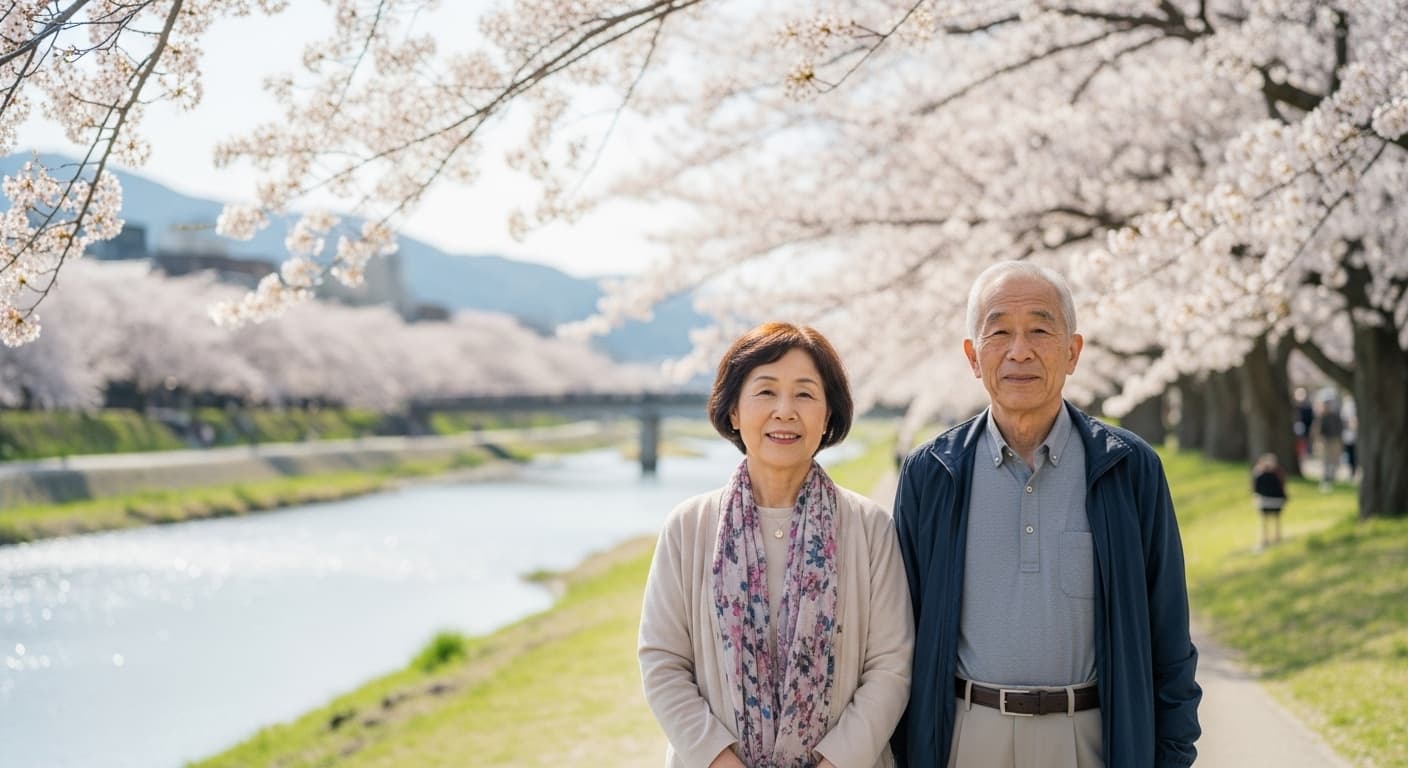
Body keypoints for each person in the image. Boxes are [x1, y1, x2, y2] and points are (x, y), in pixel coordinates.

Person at [890, 262, 1201, 768]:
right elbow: (898, 638)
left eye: (1040, 329)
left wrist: (1171, 754)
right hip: (965, 736)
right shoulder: (933, 473)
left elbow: (1169, 637)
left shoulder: (1128, 468)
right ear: (973, 356)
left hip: (1093, 738)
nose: (1020, 351)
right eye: (999, 332)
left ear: (1073, 351)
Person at [639, 321, 914, 768]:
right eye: (765, 392)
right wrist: (717, 759)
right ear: (733, 412)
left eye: (805, 394)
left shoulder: (870, 528)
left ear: (827, 417)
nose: (785, 411)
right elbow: (663, 661)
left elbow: (891, 666)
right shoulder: (688, 527)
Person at [1252, 453, 1288, 549]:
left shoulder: (1259, 474)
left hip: (1265, 502)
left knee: (1264, 519)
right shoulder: (1279, 473)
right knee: (1276, 518)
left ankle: (1265, 538)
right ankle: (1277, 536)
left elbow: (1256, 490)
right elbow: (1282, 488)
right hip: (1277, 502)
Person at [1316, 393, 1343, 491]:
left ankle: (1332, 479)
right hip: (1325, 441)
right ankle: (1325, 480)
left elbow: (1340, 428)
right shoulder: (1322, 416)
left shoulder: (1336, 415)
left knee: (1334, 461)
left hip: (1335, 440)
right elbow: (1318, 430)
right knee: (1325, 461)